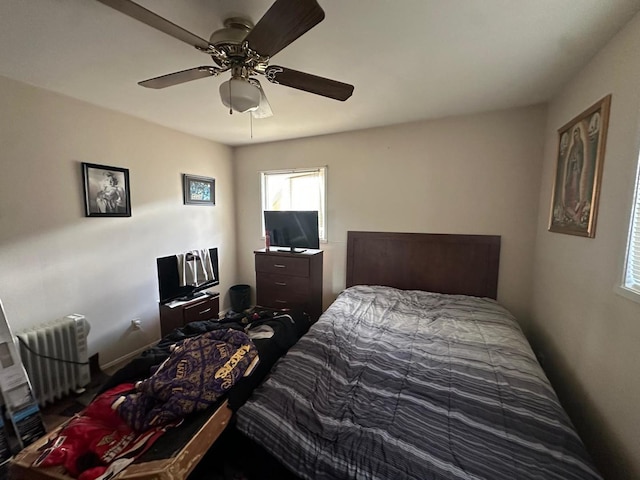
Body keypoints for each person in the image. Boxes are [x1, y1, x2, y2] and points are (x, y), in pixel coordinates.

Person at [563, 126, 584, 218]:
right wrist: (572, 160)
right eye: (574, 136)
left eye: (577, 135)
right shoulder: (572, 148)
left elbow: (580, 157)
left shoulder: (580, 145)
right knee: (570, 188)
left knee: (575, 187)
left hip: (576, 171)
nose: (575, 137)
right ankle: (569, 206)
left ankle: (575, 205)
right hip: (571, 172)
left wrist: (577, 160)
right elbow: (569, 161)